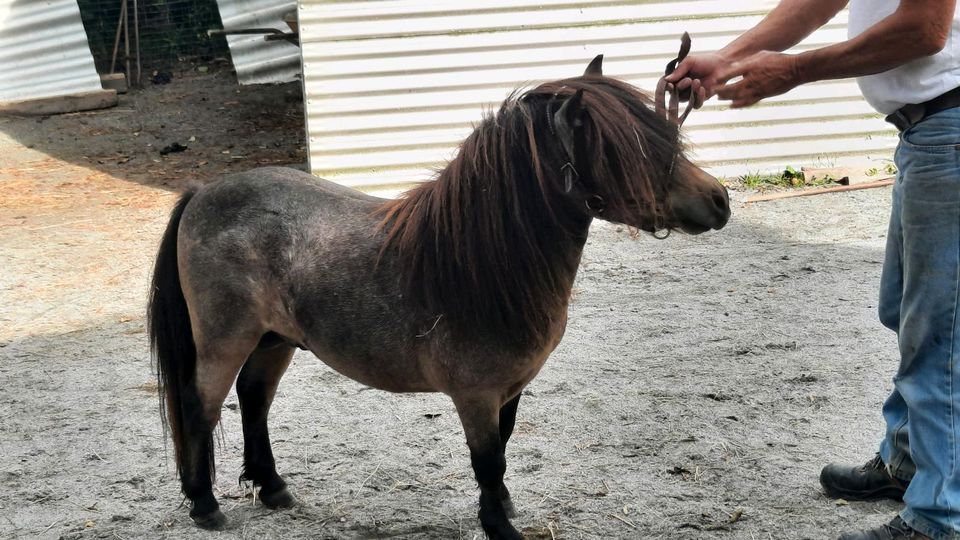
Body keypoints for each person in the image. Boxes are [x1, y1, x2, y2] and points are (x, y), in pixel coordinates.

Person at [664, 1, 960, 538]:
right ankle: (910, 462)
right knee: (904, 310)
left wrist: (797, 69)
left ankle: (939, 519)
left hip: (951, 131)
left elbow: (925, 29)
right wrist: (729, 59)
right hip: (928, 134)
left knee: (940, 336)